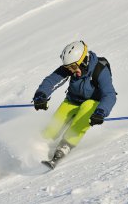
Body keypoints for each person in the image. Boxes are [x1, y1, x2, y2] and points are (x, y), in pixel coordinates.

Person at [33, 40, 117, 168]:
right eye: (68, 68)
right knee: (51, 129)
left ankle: (65, 146)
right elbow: (51, 80)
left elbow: (109, 94)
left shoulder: (100, 69)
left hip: (93, 103)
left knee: (86, 109)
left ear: (84, 61)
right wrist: (41, 95)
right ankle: (38, 150)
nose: (71, 71)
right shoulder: (71, 67)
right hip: (72, 101)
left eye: (73, 67)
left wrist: (101, 112)